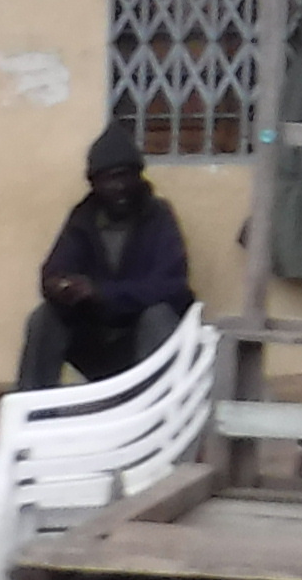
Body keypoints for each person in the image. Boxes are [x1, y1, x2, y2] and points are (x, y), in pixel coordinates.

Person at [18, 125, 193, 391]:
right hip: (97, 342)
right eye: (109, 179)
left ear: (139, 177)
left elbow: (172, 287)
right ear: (94, 183)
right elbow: (52, 272)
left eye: (125, 177)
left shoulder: (158, 216)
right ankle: (32, 409)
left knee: (159, 316)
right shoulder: (83, 218)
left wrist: (102, 293)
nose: (119, 187)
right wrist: (61, 287)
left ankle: (154, 409)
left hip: (141, 344)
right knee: (44, 318)